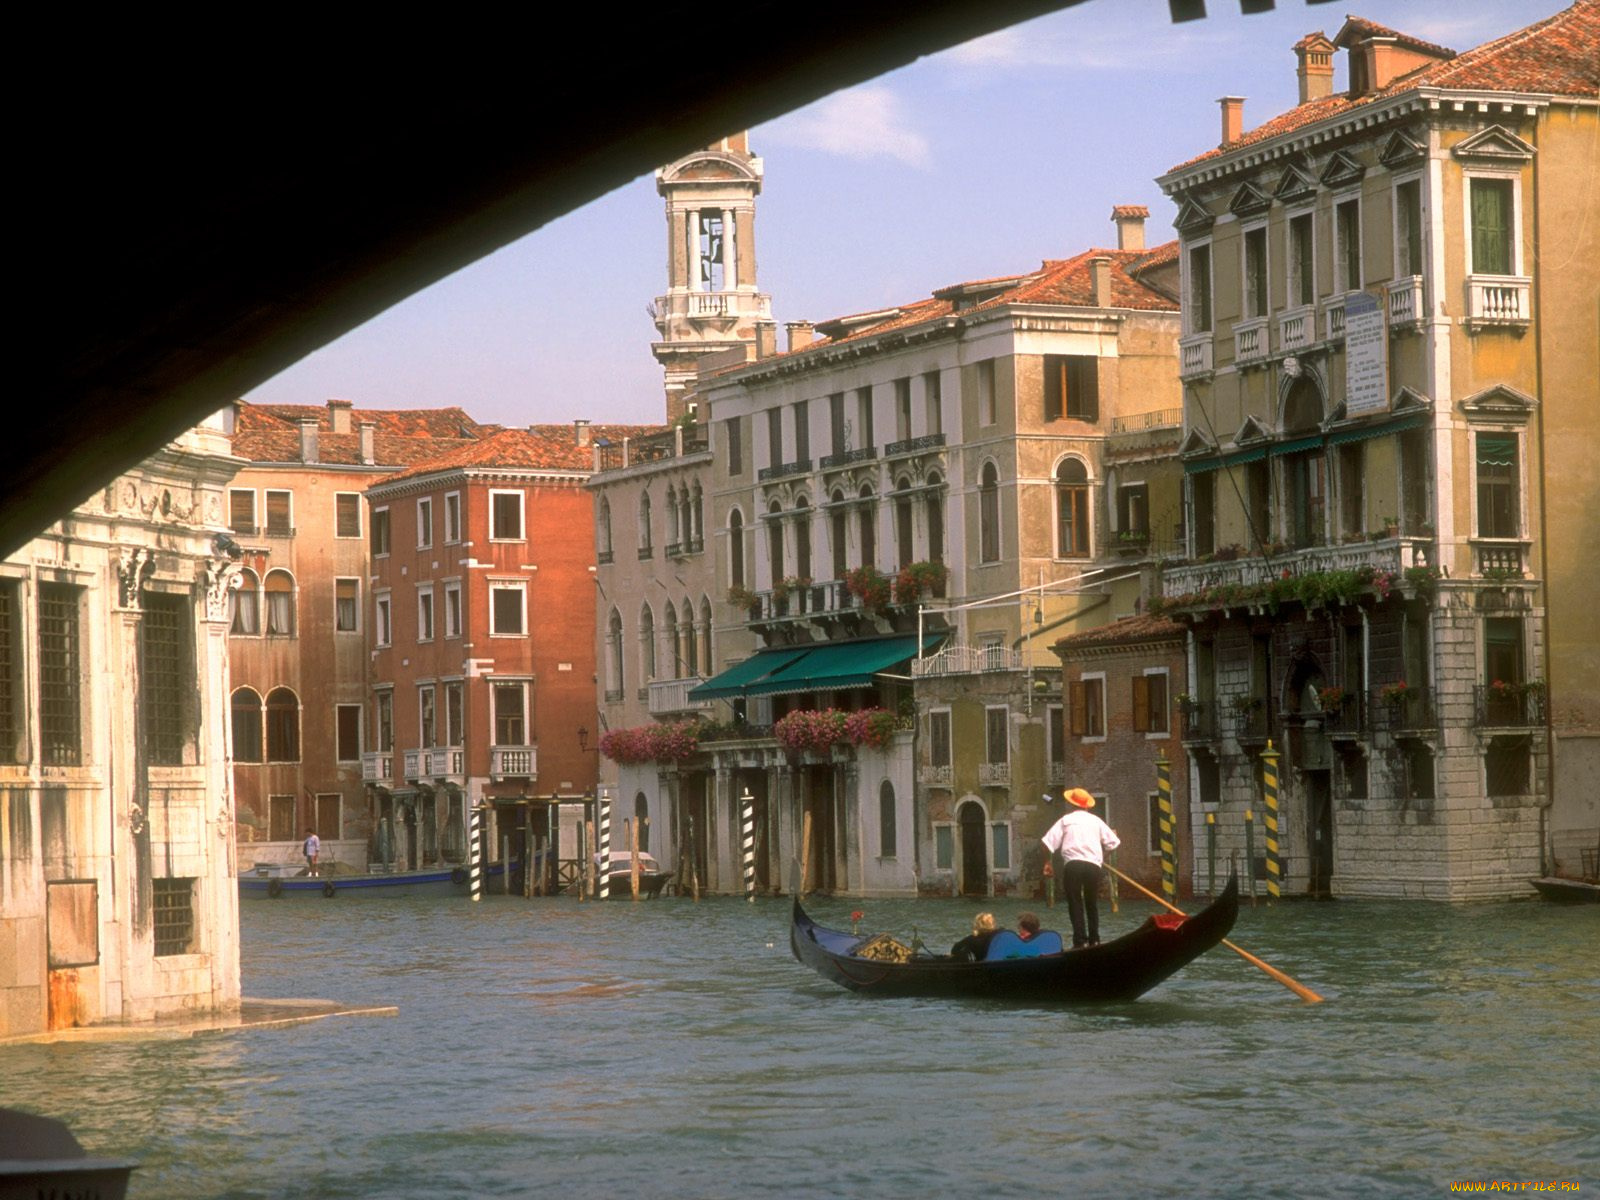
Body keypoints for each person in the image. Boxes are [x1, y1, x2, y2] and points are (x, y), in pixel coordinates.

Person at [1040, 788, 1120, 949]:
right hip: (1093, 866)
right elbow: (1114, 842)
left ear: (1071, 804)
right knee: (1091, 903)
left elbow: (1047, 843)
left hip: (1073, 865)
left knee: (1075, 903)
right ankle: (1095, 940)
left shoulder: (1065, 820)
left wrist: (1047, 863)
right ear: (1087, 806)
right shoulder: (1096, 821)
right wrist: (1102, 855)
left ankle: (1080, 942)